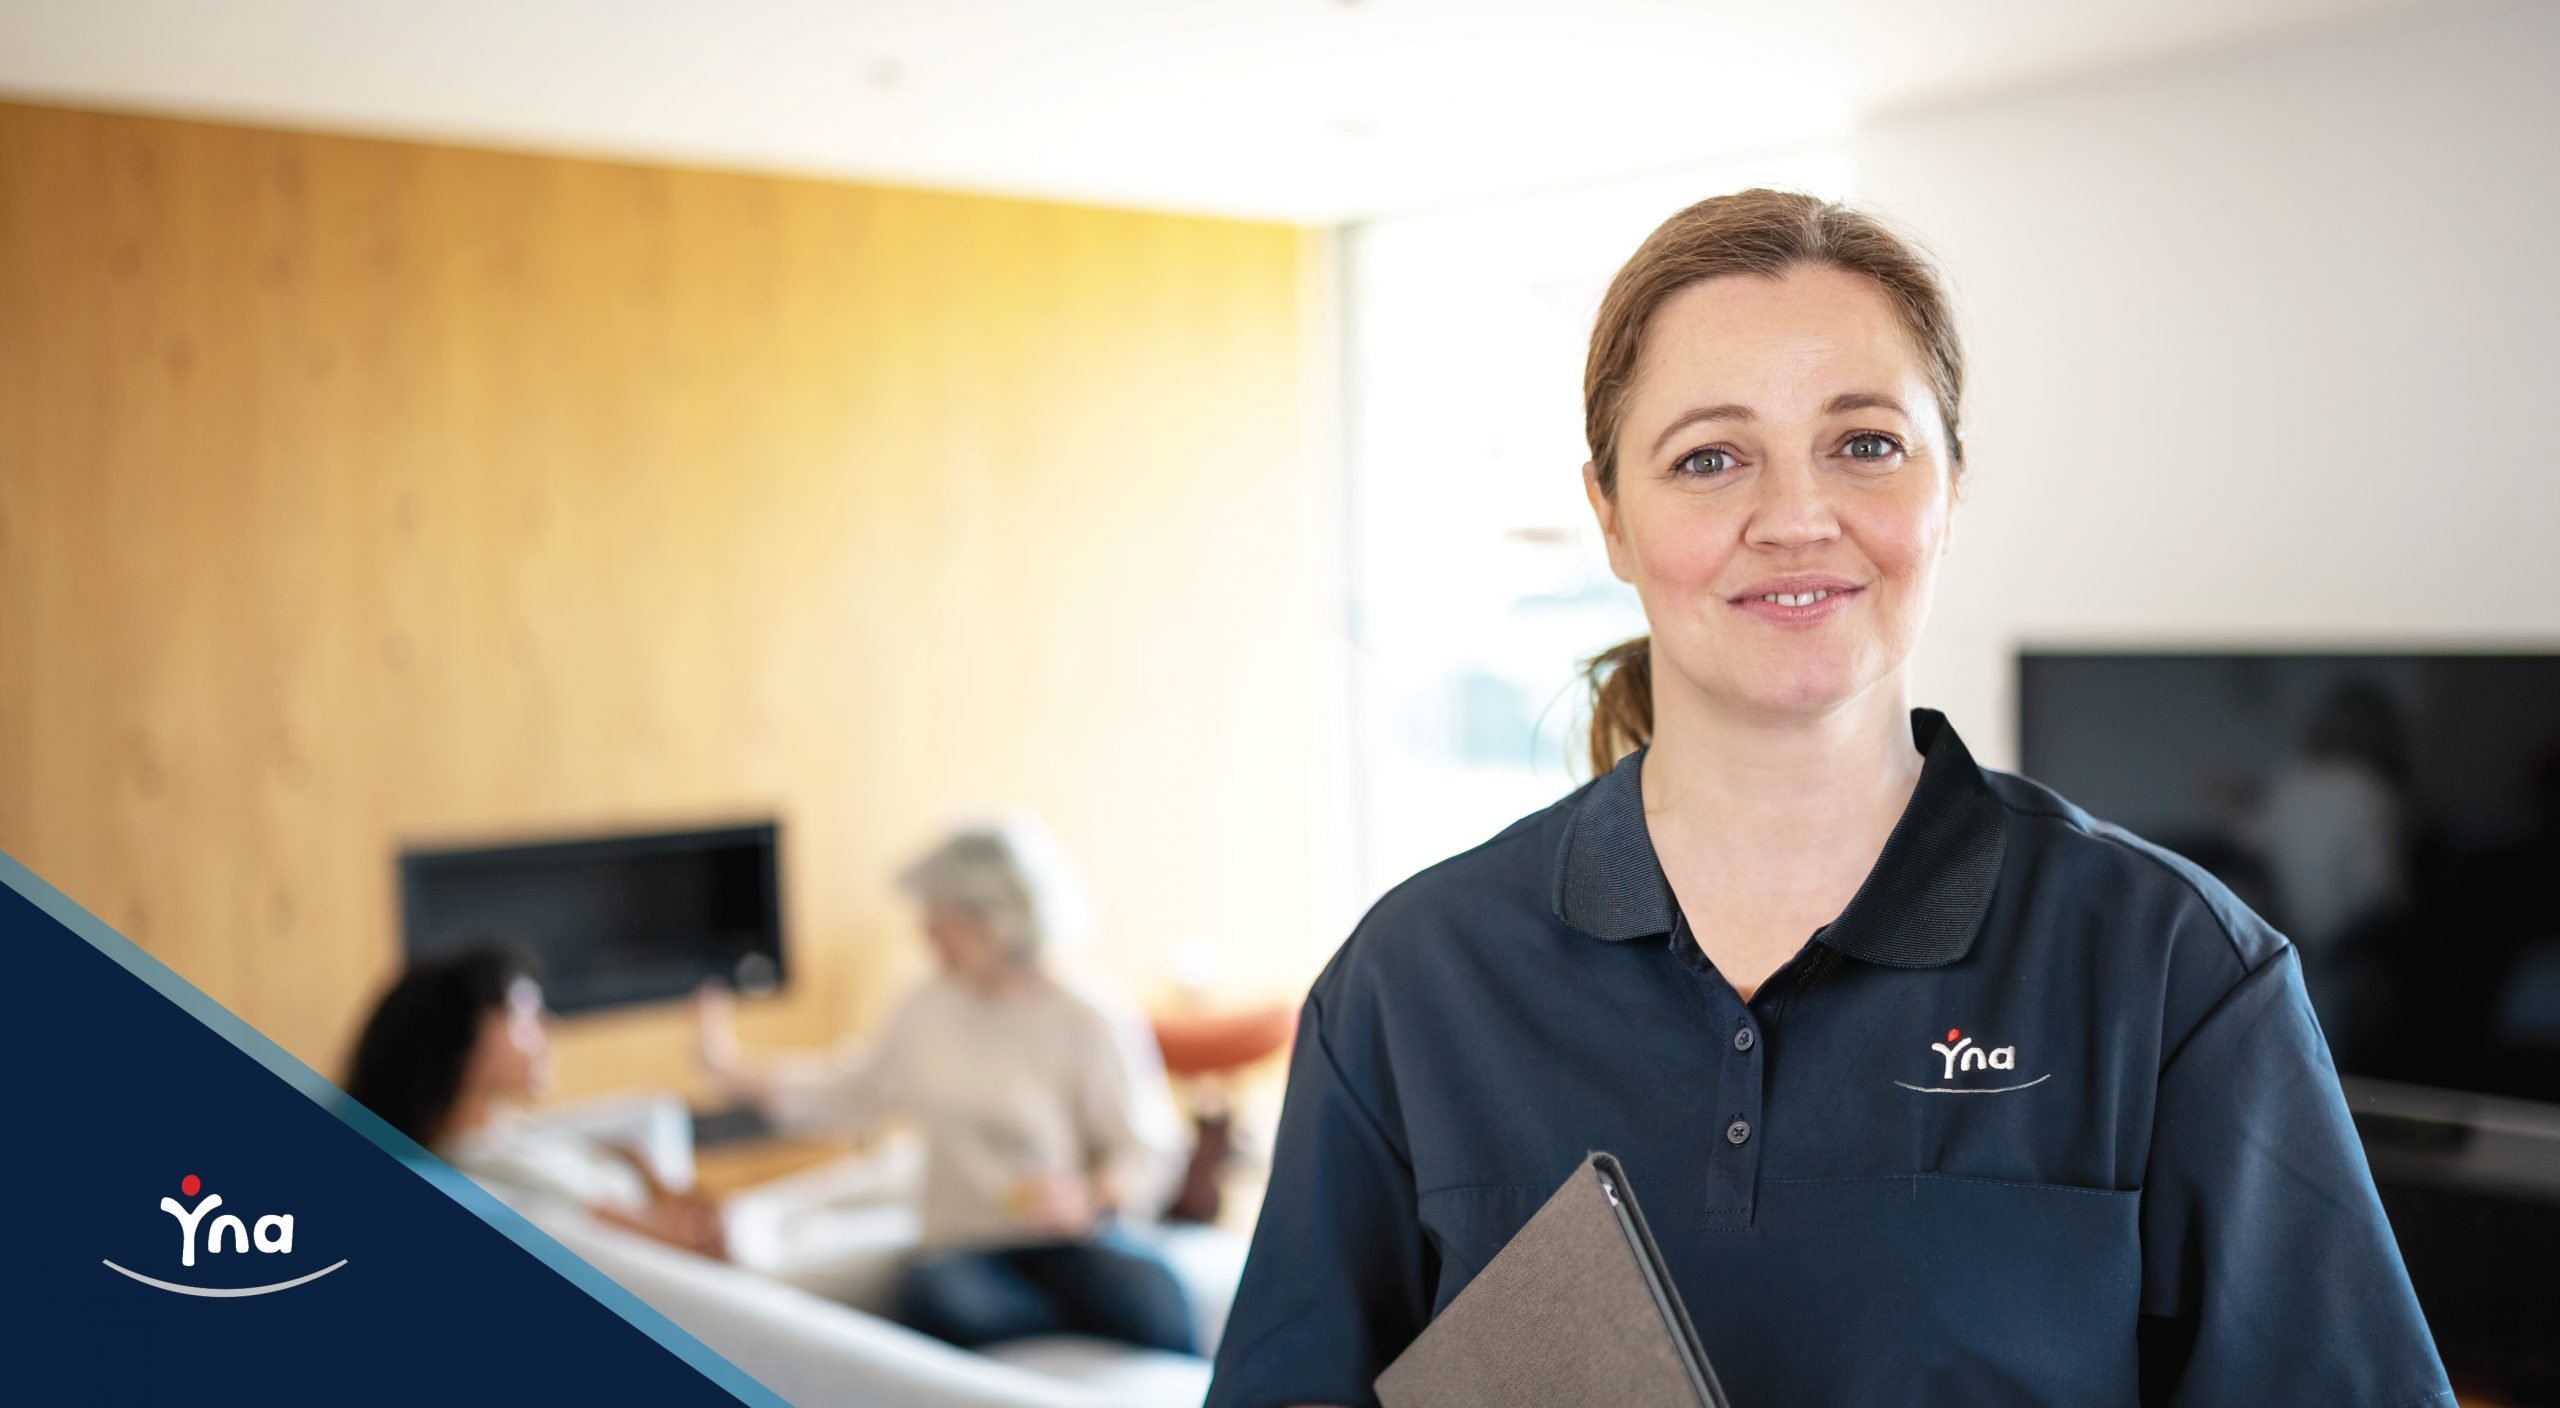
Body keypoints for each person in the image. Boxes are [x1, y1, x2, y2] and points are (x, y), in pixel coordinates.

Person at [1204, 190, 2452, 1408]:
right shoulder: (1416, 980)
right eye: (1708, 458)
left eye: (1864, 444)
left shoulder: (2175, 969)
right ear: (1610, 517)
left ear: (1949, 486)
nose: (1796, 518)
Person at [695, 816, 1196, 1354]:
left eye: (941, 917)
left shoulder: (1089, 1016)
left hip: (1074, 1239)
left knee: (1155, 1293)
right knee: (938, 1298)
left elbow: (1147, 1149)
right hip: (965, 1247)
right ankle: (1067, 1328)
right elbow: (851, 1091)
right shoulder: (925, 1008)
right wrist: (731, 1070)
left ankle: (1075, 1327)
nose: (927, 934)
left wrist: (1090, 1196)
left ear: (996, 917)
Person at [344, 943, 727, 1258]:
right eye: (522, 1015)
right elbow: (679, 1245)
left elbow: (618, 1154)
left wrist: (654, 1178)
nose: (549, 1026)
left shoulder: (497, 1129)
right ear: (458, 1042)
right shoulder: (488, 1166)